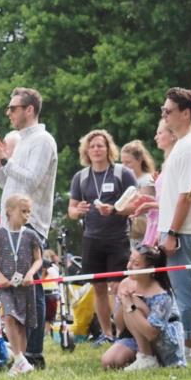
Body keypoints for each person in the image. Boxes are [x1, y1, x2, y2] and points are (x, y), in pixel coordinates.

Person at [0, 88, 58, 369]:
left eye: (13, 108)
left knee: (29, 287)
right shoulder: (22, 141)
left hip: (30, 224)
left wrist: (5, 158)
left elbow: (32, 180)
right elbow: (7, 183)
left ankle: (34, 354)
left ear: (30, 109)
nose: (9, 113)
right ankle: (20, 354)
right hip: (9, 226)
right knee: (14, 290)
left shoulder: (43, 140)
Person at [68, 129, 137, 344]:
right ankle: (106, 334)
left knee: (118, 287)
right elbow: (71, 210)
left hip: (117, 238)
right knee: (98, 288)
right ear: (86, 151)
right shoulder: (81, 177)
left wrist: (115, 210)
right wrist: (77, 210)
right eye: (92, 146)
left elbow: (135, 205)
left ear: (108, 149)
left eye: (100, 145)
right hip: (92, 238)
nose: (96, 149)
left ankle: (124, 333)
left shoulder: (122, 173)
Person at [158, 87, 191, 360]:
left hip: (183, 230)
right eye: (163, 111)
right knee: (179, 287)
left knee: (184, 289)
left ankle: (189, 347)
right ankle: (181, 340)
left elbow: (186, 195)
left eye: (168, 111)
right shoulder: (183, 144)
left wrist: (172, 232)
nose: (164, 115)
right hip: (176, 227)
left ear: (186, 113)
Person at [101, 245, 187, 371]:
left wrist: (131, 304)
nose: (128, 266)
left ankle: (147, 358)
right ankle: (142, 356)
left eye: (135, 264)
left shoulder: (161, 294)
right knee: (109, 361)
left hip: (163, 340)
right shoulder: (126, 283)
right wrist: (122, 299)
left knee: (134, 303)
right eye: (130, 260)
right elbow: (120, 325)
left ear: (150, 269)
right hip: (137, 335)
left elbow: (152, 334)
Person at [0, 194, 44, 375]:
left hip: (26, 287)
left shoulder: (31, 235)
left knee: (22, 324)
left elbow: (38, 259)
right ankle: (19, 358)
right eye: (23, 211)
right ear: (9, 211)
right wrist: (0, 277)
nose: (26, 215)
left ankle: (20, 362)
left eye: (29, 212)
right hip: (6, 287)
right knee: (9, 317)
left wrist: (31, 273)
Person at [120, 140, 157, 249]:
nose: (124, 166)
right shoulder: (125, 180)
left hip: (143, 232)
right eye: (123, 162)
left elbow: (144, 206)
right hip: (131, 232)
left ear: (139, 160)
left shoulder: (146, 180)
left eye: (128, 162)